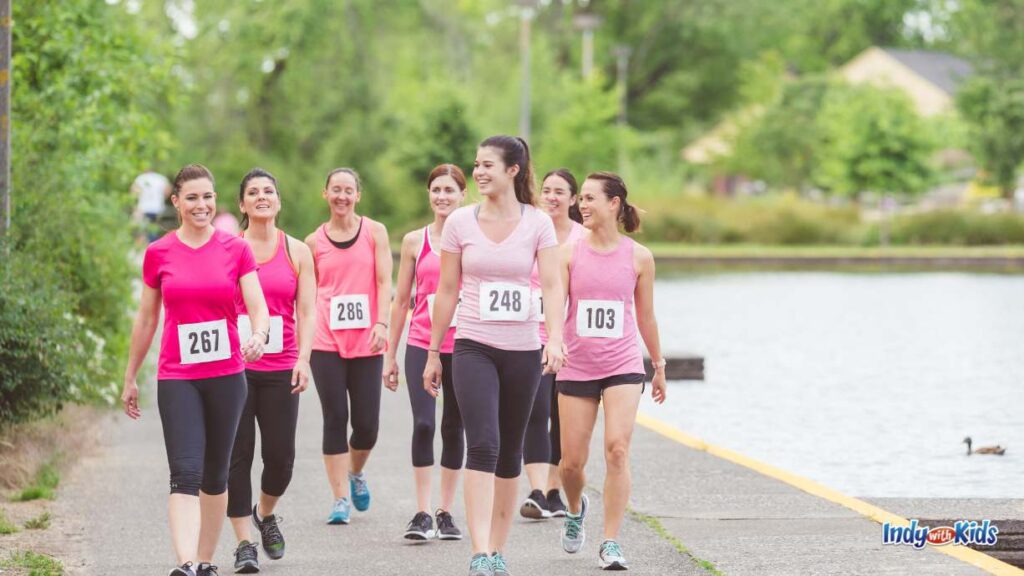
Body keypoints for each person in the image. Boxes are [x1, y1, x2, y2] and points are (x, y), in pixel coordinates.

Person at [424, 135, 566, 576]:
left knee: (510, 451)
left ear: (513, 170)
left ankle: (499, 548)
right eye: (477, 164)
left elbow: (553, 285)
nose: (479, 172)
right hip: (472, 347)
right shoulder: (460, 223)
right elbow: (447, 290)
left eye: (488, 165)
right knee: (481, 442)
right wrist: (433, 350)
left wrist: (555, 339)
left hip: (523, 350)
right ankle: (479, 551)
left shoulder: (538, 223)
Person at [121, 164, 270, 576]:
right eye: (192, 198)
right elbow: (147, 319)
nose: (201, 205)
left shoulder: (236, 250)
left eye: (207, 197)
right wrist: (131, 376)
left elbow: (257, 305)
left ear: (215, 200)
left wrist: (258, 334)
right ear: (176, 203)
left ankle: (205, 561)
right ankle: (185, 563)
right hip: (178, 377)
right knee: (184, 472)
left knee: (215, 475)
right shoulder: (159, 252)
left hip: (226, 376)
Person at [555, 172, 667, 571]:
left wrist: (658, 365)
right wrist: (552, 341)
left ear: (614, 203)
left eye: (589, 199)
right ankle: (574, 508)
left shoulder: (639, 257)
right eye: (580, 199)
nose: (582, 205)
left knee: (617, 449)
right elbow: (554, 307)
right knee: (571, 464)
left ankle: (611, 541)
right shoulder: (567, 254)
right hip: (577, 366)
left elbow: (646, 316)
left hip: (622, 365)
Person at [227, 168, 316, 573]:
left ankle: (264, 513)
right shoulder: (228, 249)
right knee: (237, 456)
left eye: (269, 191)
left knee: (280, 459)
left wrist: (304, 359)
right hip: (234, 370)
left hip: (282, 367)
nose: (262, 196)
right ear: (242, 205)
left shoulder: (297, 251)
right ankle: (244, 542)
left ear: (278, 201)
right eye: (253, 192)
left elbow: (308, 311)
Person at [384, 164, 468, 541]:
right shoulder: (415, 241)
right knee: (423, 423)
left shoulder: (474, 238)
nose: (442, 197)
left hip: (464, 347)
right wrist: (389, 354)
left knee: (454, 426)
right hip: (421, 343)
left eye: (450, 190)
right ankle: (421, 512)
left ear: (463, 195)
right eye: (436, 190)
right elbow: (401, 301)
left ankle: (446, 512)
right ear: (429, 194)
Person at [305, 168, 392, 525]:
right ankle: (340, 498)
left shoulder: (375, 232)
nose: (342, 196)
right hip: (325, 340)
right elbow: (307, 296)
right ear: (325, 194)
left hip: (367, 340)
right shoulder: (312, 243)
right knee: (335, 417)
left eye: (348, 190)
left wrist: (382, 322)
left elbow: (385, 280)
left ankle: (356, 472)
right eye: (335, 190)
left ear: (358, 195)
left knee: (367, 425)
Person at [520, 169, 584, 520]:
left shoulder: (582, 238)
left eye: (560, 191)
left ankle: (556, 490)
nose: (552, 197)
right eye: (547, 190)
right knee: (535, 411)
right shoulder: (530, 233)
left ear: (573, 199)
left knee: (562, 420)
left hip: (571, 344)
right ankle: (536, 491)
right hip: (532, 337)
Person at [132, 168, 171, 243]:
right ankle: (153, 244)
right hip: (158, 208)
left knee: (143, 230)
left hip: (144, 208)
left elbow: (133, 191)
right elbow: (168, 190)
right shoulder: (161, 178)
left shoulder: (141, 178)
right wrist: (161, 198)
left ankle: (145, 247)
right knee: (154, 229)